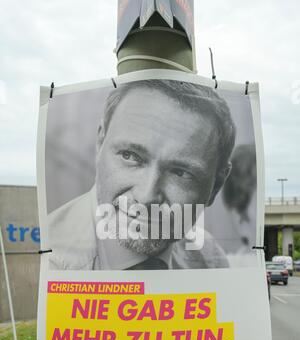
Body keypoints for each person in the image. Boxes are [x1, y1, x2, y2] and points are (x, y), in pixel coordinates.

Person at [48, 79, 236, 270]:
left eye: (181, 173)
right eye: (129, 156)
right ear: (100, 143)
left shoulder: (210, 260)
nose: (146, 197)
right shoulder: (46, 261)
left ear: (216, 186)